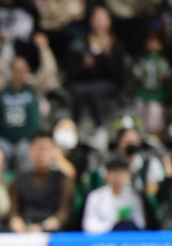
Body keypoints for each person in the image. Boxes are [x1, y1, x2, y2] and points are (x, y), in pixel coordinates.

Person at [67, 6, 127, 148]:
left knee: (95, 90)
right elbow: (73, 70)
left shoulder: (116, 44)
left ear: (109, 21)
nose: (99, 22)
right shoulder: (82, 42)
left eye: (103, 19)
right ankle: (74, 128)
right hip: (85, 82)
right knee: (78, 90)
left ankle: (101, 129)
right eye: (96, 19)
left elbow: (119, 73)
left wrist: (101, 59)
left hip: (109, 83)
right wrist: (84, 65)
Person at [8, 132, 74, 232]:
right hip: (23, 229)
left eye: (46, 149)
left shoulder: (64, 180)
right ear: (30, 150)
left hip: (53, 231)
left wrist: (48, 225)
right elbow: (13, 209)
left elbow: (65, 210)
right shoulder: (19, 179)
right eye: (38, 148)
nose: (42, 153)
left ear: (54, 151)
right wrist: (15, 220)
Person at [0, 55, 39, 173]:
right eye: (17, 70)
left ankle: (24, 183)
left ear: (28, 71)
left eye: (23, 70)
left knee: (24, 151)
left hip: (25, 139)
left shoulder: (34, 89)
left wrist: (43, 48)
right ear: (11, 71)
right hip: (4, 138)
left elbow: (49, 69)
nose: (19, 73)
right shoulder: (1, 89)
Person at [82, 157, 146, 233]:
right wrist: (113, 222)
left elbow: (141, 223)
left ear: (128, 176)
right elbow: (88, 224)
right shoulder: (95, 196)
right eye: (114, 174)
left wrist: (125, 221)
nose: (117, 178)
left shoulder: (134, 197)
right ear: (107, 176)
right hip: (104, 237)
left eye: (121, 174)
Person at [133, 30, 170, 136]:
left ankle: (154, 136)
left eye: (155, 42)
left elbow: (167, 75)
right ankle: (140, 134)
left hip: (158, 94)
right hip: (142, 92)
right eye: (150, 42)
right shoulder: (141, 59)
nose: (152, 45)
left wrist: (162, 75)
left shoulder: (162, 61)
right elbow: (137, 74)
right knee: (139, 110)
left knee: (154, 112)